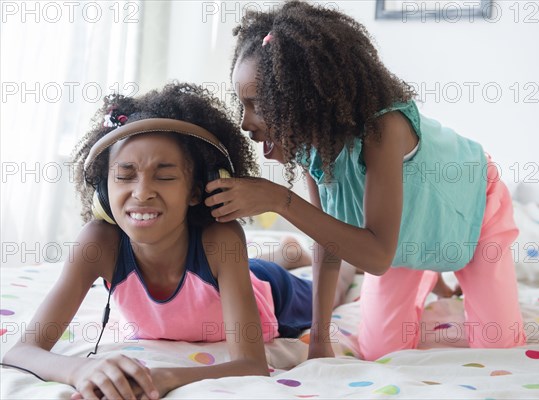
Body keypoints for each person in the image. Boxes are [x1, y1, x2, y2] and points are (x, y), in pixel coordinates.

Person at [204, 1, 526, 361]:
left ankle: (439, 277)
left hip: (472, 211)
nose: (246, 123)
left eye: (256, 105)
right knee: (379, 352)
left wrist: (279, 200)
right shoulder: (315, 146)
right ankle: (431, 277)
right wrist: (321, 336)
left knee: (500, 347)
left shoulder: (384, 129)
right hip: (400, 240)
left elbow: (374, 258)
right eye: (242, 105)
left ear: (303, 99)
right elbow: (328, 241)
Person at [1, 83, 353, 399]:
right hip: (221, 282)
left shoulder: (222, 239)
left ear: (197, 191)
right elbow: (21, 351)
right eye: (124, 176)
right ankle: (282, 254)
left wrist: (168, 375)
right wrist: (79, 370)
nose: (141, 193)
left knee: (332, 291)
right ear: (103, 194)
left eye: (165, 176)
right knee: (249, 268)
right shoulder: (98, 243)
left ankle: (334, 266)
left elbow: (251, 364)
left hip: (268, 292)